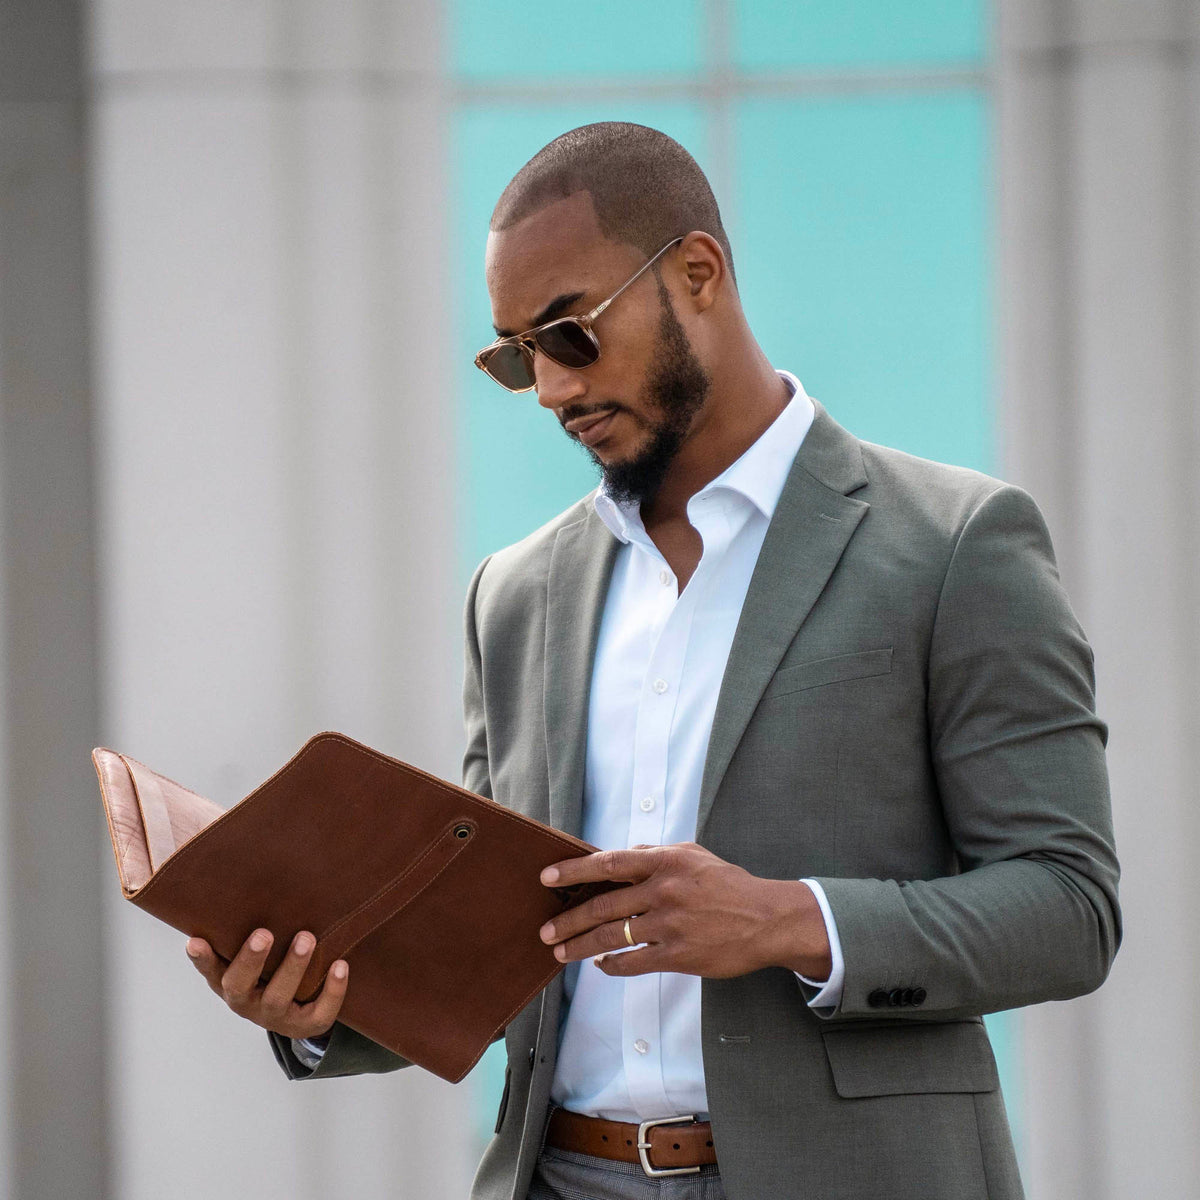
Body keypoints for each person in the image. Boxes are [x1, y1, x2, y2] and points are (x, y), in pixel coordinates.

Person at [185, 122, 1121, 1200]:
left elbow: (1068, 908)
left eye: (568, 333)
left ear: (697, 272)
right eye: (513, 353)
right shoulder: (517, 593)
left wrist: (784, 920)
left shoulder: (955, 546)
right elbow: (496, 945)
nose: (547, 387)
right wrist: (320, 1007)